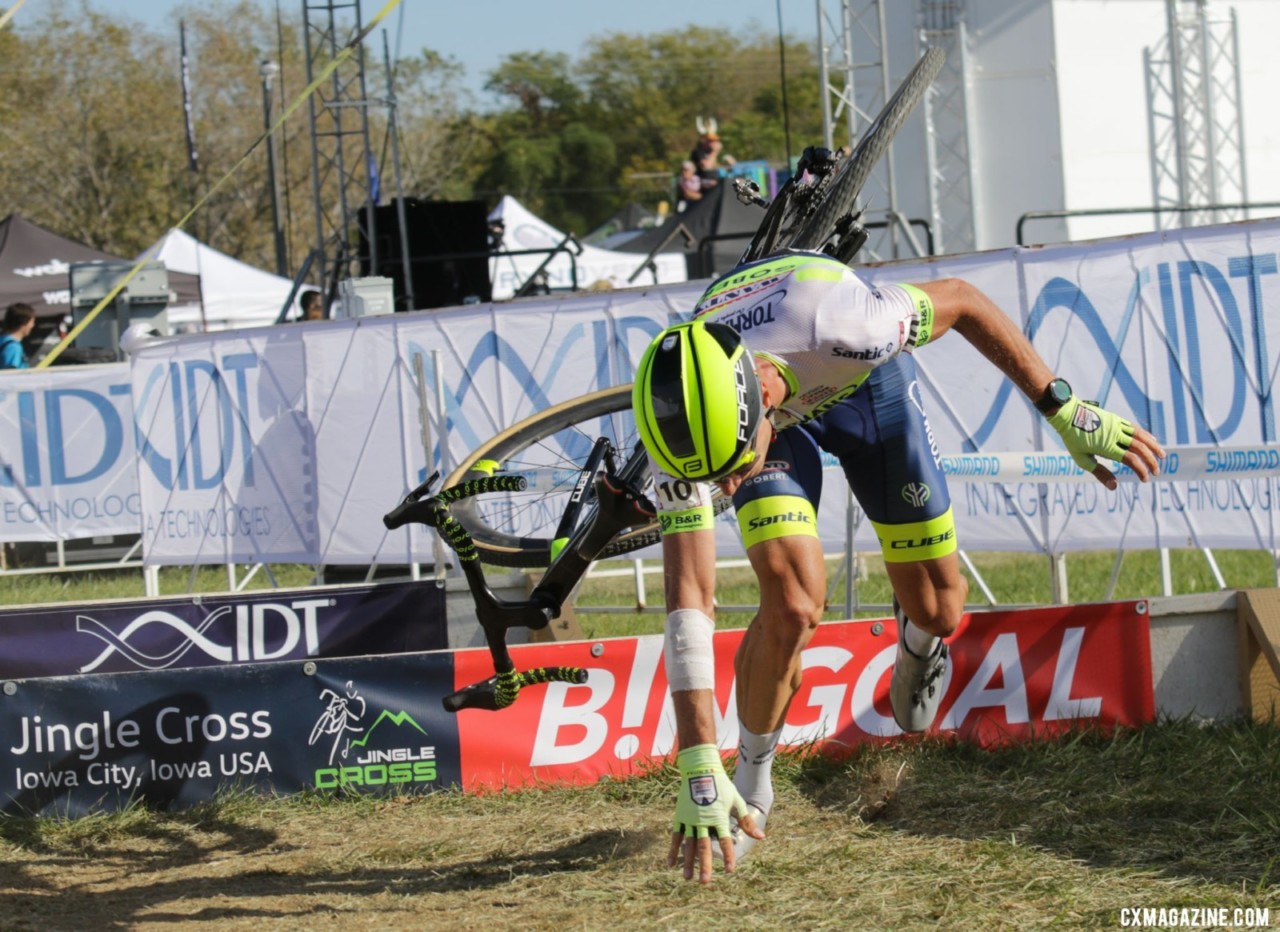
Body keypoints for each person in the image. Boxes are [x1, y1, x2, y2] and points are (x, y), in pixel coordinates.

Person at [630, 249, 1166, 884]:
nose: (724, 487)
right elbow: (690, 597)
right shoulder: (679, 425)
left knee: (940, 609)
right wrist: (697, 761)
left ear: (763, 402)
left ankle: (916, 639)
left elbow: (964, 300)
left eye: (736, 469)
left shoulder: (848, 324)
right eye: (713, 479)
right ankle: (752, 788)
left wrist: (1063, 409)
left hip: (863, 384)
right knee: (794, 602)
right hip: (763, 405)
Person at [0, 303, 36, 369]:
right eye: (32, 322)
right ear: (23, 324)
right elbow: (11, 374)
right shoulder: (13, 347)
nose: (33, 325)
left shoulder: (2, 340)